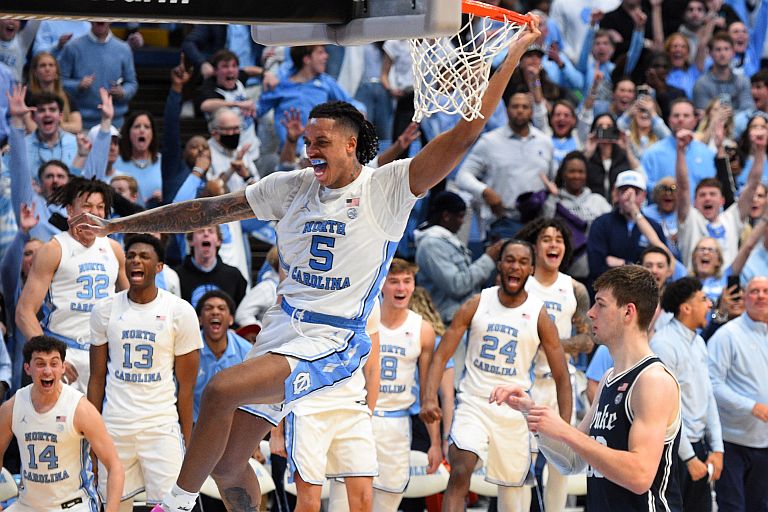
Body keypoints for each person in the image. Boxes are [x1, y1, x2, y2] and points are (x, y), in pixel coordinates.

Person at [69, 18, 544, 512]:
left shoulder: (386, 188)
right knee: (231, 466)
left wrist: (508, 58)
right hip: (281, 328)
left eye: (319, 143)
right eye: (306, 141)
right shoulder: (289, 185)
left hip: (333, 339)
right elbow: (205, 212)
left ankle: (175, 503)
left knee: (220, 388)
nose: (308, 150)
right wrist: (117, 226)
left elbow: (464, 137)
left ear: (351, 145)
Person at [491, 265, 683, 511]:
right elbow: (571, 461)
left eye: (600, 304)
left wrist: (564, 430)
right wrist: (533, 414)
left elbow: (640, 476)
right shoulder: (608, 379)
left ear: (628, 312)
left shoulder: (652, 380)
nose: (590, 313)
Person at [421, 239, 572, 511]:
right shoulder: (477, 303)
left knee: (512, 495)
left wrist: (565, 425)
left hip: (514, 411)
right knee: (460, 471)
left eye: (523, 262)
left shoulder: (538, 314)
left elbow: (562, 376)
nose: (515, 266)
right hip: (474, 403)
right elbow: (441, 354)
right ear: (500, 265)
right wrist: (429, 397)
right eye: (510, 260)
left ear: (531, 269)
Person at [88, 234, 201, 511]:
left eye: (144, 256)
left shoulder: (179, 311)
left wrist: (188, 442)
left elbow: (186, 388)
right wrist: (92, 435)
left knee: (173, 507)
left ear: (160, 267)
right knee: (113, 506)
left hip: (160, 425)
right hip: (115, 425)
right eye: (131, 255)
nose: (135, 260)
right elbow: (96, 378)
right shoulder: (104, 310)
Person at [16, 177, 128, 394]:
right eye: (87, 207)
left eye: (100, 207)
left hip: (102, 354)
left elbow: (130, 305)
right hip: (64, 351)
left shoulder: (114, 249)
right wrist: (50, 357)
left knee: (99, 426)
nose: (94, 213)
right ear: (70, 210)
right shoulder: (54, 249)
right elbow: (24, 312)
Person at [516, 218, 594, 512]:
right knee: (521, 462)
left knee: (560, 462)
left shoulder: (574, 288)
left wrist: (549, 346)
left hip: (561, 382)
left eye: (559, 239)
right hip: (526, 382)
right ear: (535, 246)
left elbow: (587, 341)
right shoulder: (522, 283)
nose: (553, 244)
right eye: (546, 239)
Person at [0, 336, 125, 512]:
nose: (47, 371)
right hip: (27, 505)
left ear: (63, 368)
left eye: (54, 363)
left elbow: (115, 465)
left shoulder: (80, 408)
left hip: (73, 506)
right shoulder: (13, 406)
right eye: (40, 364)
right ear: (27, 368)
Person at [650, 277, 723, 512]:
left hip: (698, 446)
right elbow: (664, 410)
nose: (710, 305)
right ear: (686, 308)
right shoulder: (663, 344)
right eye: (703, 300)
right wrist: (689, 458)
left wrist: (718, 448)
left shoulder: (699, 343)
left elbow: (708, 397)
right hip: (673, 451)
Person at [373, 259, 441, 511]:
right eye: (394, 281)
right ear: (382, 285)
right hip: (361, 418)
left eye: (407, 281)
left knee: (388, 501)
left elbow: (427, 392)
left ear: (413, 285)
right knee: (346, 501)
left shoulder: (422, 329)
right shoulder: (365, 320)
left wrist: (435, 442)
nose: (401, 287)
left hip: (397, 424)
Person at [454, 92, 556, 239]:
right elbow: (462, 176)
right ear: (507, 110)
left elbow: (552, 179)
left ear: (531, 111)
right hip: (502, 221)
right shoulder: (489, 142)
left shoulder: (545, 142)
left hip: (538, 223)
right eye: (515, 106)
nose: (520, 110)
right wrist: (485, 191)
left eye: (525, 107)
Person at [707, 276, 768, 512]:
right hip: (732, 440)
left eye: (765, 291)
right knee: (732, 507)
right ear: (744, 296)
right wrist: (751, 406)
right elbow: (712, 382)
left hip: (764, 442)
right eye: (754, 291)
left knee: (760, 507)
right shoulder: (727, 335)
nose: (761, 296)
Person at [414, 191, 501, 324]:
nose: (461, 222)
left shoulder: (447, 241)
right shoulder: (431, 245)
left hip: (461, 319)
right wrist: (488, 259)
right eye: (460, 217)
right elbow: (457, 285)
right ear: (446, 216)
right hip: (445, 323)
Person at [587, 170, 667, 290]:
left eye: (635, 192)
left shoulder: (654, 227)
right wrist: (637, 266)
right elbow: (596, 266)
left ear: (644, 195)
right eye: (624, 191)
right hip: (609, 289)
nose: (630, 198)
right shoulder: (601, 223)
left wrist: (623, 263)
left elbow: (661, 263)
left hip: (643, 292)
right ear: (616, 193)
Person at [59, 22, 138, 128]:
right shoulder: (72, 47)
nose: (101, 20)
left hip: (115, 125)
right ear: (91, 19)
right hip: (81, 125)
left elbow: (132, 83)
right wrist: (78, 85)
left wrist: (123, 92)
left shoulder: (124, 49)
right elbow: (59, 81)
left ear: (111, 20)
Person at [195, 290, 252, 421]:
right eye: (208, 308)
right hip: (196, 424)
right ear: (199, 319)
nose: (215, 312)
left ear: (231, 319)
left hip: (235, 425)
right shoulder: (190, 349)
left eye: (221, 308)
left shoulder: (247, 351)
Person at [642, 98, 716, 196]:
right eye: (676, 116)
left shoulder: (708, 154)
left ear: (694, 121)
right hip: (664, 210)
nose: (681, 119)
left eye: (686, 116)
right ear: (669, 121)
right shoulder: (652, 153)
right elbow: (644, 186)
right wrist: (662, 188)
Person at [173, 226, 248, 308]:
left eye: (211, 231)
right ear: (191, 241)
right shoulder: (175, 276)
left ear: (219, 241)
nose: (206, 234)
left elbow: (241, 313)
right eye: (200, 231)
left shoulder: (234, 276)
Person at [692, 33, 754, 117]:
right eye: (718, 49)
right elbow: (703, 115)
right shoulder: (701, 84)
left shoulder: (743, 81)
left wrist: (725, 115)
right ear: (710, 53)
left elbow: (748, 110)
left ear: (733, 52)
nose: (722, 53)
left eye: (726, 49)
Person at [24, 52, 82, 134]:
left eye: (51, 65)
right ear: (35, 72)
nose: (47, 69)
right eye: (42, 65)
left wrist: (52, 125)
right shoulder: (27, 97)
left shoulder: (66, 96)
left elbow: (77, 126)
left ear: (57, 72)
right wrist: (61, 125)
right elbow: (32, 128)